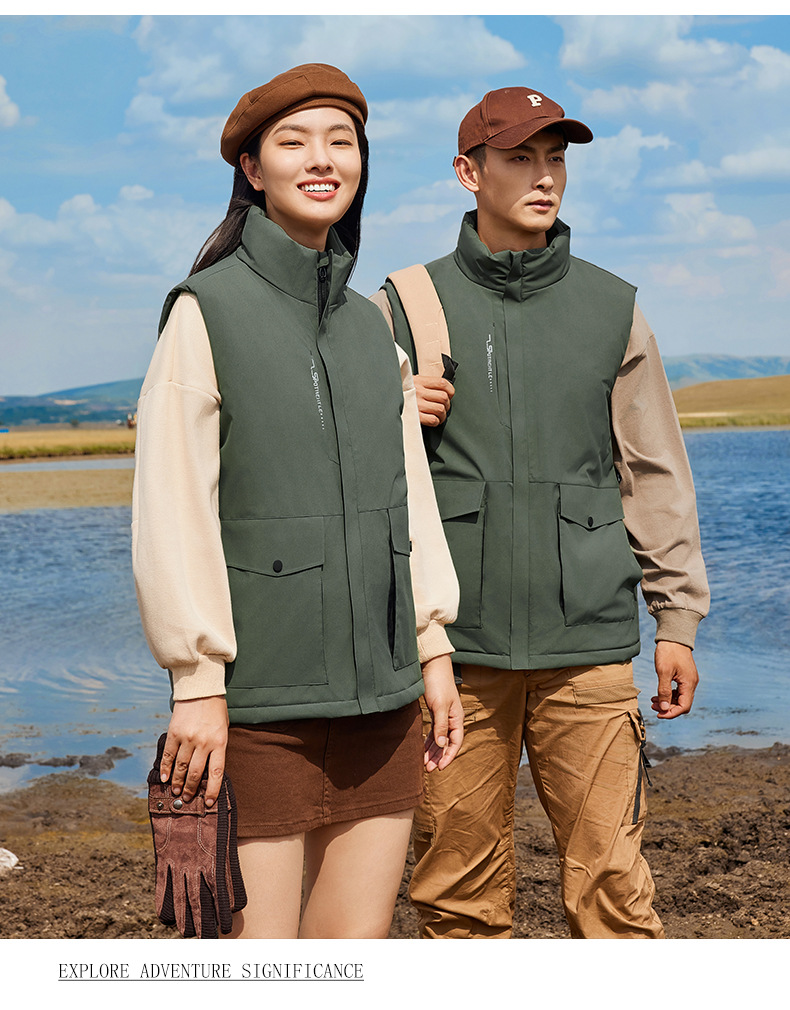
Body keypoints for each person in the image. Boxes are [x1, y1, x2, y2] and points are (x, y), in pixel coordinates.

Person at [132, 63, 462, 940]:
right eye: (294, 142)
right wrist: (197, 685)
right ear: (252, 169)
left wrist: (432, 647)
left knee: (350, 964)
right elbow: (173, 509)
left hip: (385, 706)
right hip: (257, 711)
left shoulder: (373, 329)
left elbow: (409, 503)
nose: (322, 160)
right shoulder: (204, 313)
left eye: (340, 142)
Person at [372, 86, 710, 939]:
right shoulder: (403, 303)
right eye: (520, 158)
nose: (545, 176)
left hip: (589, 654)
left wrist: (676, 618)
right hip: (454, 656)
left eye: (555, 158)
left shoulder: (612, 306)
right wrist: (392, 408)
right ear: (468, 172)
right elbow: (352, 468)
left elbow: (655, 473)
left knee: (615, 893)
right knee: (456, 899)